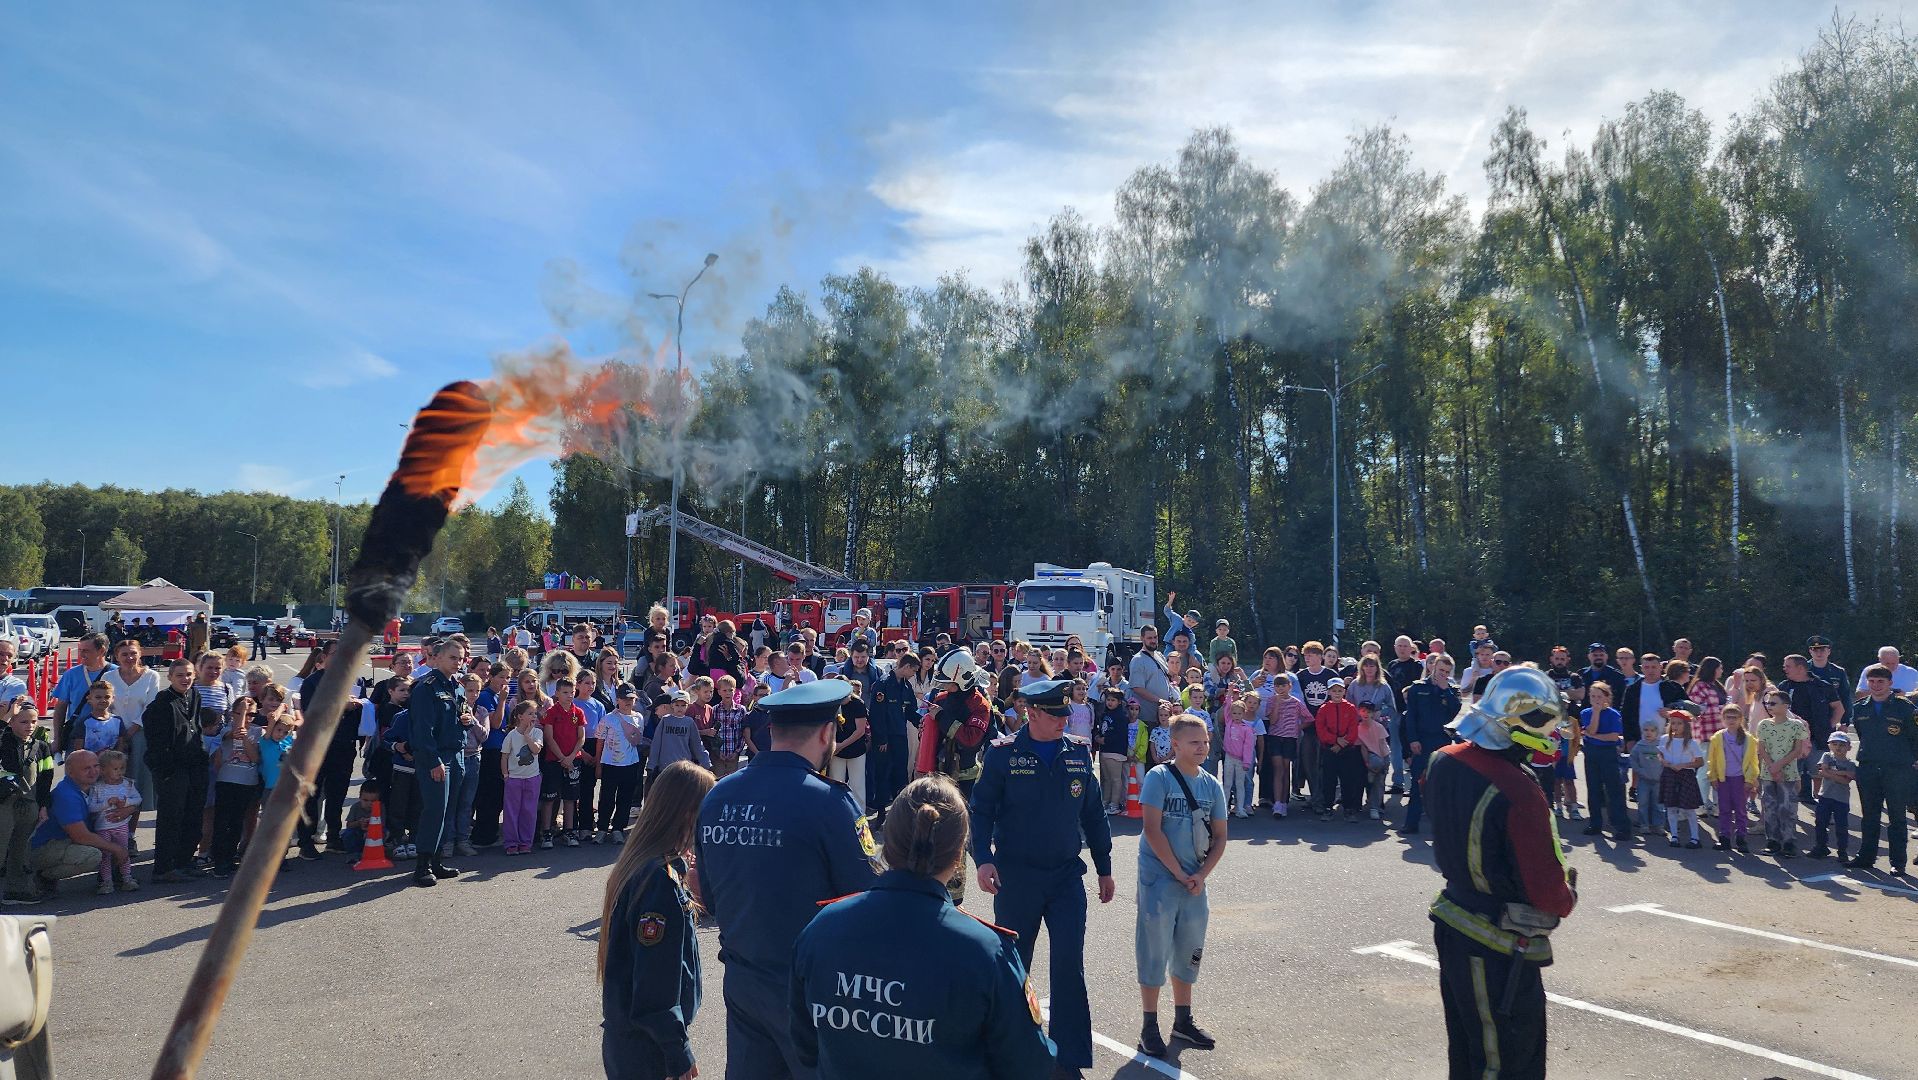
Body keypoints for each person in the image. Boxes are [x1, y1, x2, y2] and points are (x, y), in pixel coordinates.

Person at [788, 776, 1053, 1079]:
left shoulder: (823, 928)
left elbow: (805, 1045)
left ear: (886, 845)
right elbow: (1029, 1063)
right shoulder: (985, 951)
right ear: (958, 857)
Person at [695, 679, 880, 1079]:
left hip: (743, 976)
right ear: (829, 732)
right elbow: (867, 897)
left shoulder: (719, 796)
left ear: (771, 731)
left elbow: (707, 894)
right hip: (811, 985)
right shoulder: (831, 801)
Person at [1424, 665, 1578, 1080]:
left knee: (1468, 1050)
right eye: (1543, 725)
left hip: (1453, 918)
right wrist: (1567, 896)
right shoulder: (1519, 789)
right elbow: (1549, 893)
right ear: (1514, 725)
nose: (1550, 737)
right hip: (1498, 943)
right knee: (1505, 1061)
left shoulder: (1443, 760)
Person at [969, 678, 1114, 1080]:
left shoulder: (1078, 753)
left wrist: (1104, 867)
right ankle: (1011, 1053)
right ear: (1032, 714)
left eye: (1066, 713)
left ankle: (1067, 1061)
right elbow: (980, 812)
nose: (1063, 721)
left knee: (1069, 967)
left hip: (1066, 876)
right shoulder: (1003, 754)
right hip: (1017, 878)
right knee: (1015, 968)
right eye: (1056, 715)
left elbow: (1094, 814)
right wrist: (982, 859)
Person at [600, 759, 714, 1080]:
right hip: (648, 1046)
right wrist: (677, 1050)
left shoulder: (648, 864)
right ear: (688, 813)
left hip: (633, 1038)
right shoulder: (660, 880)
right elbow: (655, 981)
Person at [1134, 715, 1226, 1059]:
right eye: (1194, 743)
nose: (1202, 748)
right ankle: (1148, 1025)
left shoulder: (1211, 785)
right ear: (1175, 745)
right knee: (1153, 951)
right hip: (1160, 878)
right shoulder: (1159, 778)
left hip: (1193, 883)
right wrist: (1178, 872)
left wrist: (1200, 875)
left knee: (1190, 950)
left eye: (1204, 742)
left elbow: (1220, 838)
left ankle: (1183, 1020)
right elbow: (1152, 830)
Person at [407, 634, 469, 888]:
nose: (457, 663)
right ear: (438, 657)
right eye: (452, 658)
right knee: (434, 810)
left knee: (447, 811)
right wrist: (433, 761)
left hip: (456, 754)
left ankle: (436, 861)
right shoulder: (427, 687)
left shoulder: (458, 686)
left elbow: (460, 717)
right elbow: (422, 730)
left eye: (461, 659)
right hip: (437, 757)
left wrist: (466, 721)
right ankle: (421, 866)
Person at [144, 659, 214, 883]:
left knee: (193, 817)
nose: (185, 679)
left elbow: (197, 728)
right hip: (172, 769)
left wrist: (201, 756)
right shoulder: (161, 705)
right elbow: (156, 742)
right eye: (180, 675)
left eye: (189, 674)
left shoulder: (194, 696)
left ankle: (184, 861)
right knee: (171, 818)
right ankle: (164, 868)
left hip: (195, 766)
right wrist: (165, 769)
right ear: (170, 677)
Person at [1847, 663, 1916, 875]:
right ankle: (1866, 857)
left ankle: (1898, 862)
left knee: (1897, 817)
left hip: (1897, 769)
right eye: (1872, 681)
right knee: (1870, 816)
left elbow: (1915, 737)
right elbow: (1862, 734)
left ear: (1890, 683)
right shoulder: (1860, 708)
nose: (1876, 685)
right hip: (1868, 768)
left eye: (1881, 682)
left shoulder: (1904, 707)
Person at [1400, 654, 1460, 836]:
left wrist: (1445, 691)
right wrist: (1412, 740)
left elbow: (1456, 713)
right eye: (1440, 670)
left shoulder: (1452, 690)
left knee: (1440, 784)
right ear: (1433, 667)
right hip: (1422, 740)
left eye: (1447, 672)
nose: (1443, 674)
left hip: (1442, 741)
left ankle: (1442, 827)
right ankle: (1411, 824)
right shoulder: (1418, 688)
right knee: (1418, 782)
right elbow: (1410, 717)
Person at [0, 702, 53, 903]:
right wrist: (5, 717)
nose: (30, 726)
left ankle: (17, 889)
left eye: (33, 721)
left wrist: (43, 805)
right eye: (23, 721)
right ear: (11, 722)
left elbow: (46, 778)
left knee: (21, 848)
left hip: (29, 803)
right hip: (4, 803)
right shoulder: (4, 741)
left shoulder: (41, 747)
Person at [1755, 689, 1810, 858]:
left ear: (1786, 705)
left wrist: (1779, 765)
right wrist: (1771, 767)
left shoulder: (1796, 725)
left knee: (1786, 808)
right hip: (1768, 773)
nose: (1769, 706)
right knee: (1770, 806)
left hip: (1788, 773)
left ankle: (1788, 841)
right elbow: (1761, 749)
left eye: (1773, 703)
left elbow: (1797, 750)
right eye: (1768, 703)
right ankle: (1772, 841)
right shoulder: (1764, 724)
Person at [868, 652, 918, 821]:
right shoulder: (882, 684)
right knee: (883, 774)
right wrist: (881, 739)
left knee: (900, 774)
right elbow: (877, 714)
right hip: (885, 739)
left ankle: (899, 812)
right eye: (913, 670)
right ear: (906, 667)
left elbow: (911, 711)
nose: (914, 674)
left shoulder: (906, 686)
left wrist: (924, 722)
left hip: (900, 737)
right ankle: (881, 811)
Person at [595, 685, 646, 841]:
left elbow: (638, 739)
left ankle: (618, 828)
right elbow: (600, 741)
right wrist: (598, 764)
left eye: (631, 699)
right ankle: (602, 828)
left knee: (625, 797)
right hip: (610, 764)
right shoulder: (608, 718)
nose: (627, 702)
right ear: (617, 700)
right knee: (607, 797)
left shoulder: (638, 717)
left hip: (631, 763)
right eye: (624, 699)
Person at [1707, 703, 1758, 852]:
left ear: (1741, 719)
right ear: (1722, 719)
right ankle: (1724, 837)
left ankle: (1741, 837)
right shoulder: (1718, 737)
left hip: (1740, 779)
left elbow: (1753, 762)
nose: (1731, 720)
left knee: (1741, 810)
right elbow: (1712, 759)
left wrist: (1750, 779)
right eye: (1728, 717)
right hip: (1723, 778)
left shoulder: (1749, 739)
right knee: (1724, 809)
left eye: (1735, 717)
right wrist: (1713, 777)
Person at [499, 702, 544, 856]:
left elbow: (536, 750)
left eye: (535, 713)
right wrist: (506, 775)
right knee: (512, 812)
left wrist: (527, 736)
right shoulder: (511, 735)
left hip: (532, 778)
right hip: (514, 779)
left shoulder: (537, 733)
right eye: (530, 713)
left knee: (529, 811)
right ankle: (511, 843)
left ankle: (525, 842)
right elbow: (504, 756)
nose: (534, 717)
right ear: (520, 716)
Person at [1658, 709, 1706, 848]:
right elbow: (1660, 753)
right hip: (1669, 774)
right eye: (1673, 723)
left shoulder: (1691, 743)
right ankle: (1674, 836)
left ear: (1685, 725)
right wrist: (1663, 761)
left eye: (1679, 723)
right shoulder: (1664, 739)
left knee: (1689, 808)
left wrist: (1684, 765)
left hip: (1685, 775)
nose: (1675, 726)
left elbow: (1700, 761)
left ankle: (1695, 838)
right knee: (1671, 806)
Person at [1810, 731, 1856, 862]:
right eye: (1834, 744)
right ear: (1829, 745)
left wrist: (1832, 773)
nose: (1838, 747)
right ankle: (1821, 846)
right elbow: (1822, 771)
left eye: (1842, 744)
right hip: (1825, 796)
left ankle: (1842, 851)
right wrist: (1841, 774)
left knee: (1841, 826)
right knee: (1820, 822)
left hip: (1841, 799)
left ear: (1849, 747)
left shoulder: (1851, 764)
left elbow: (1847, 779)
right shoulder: (1827, 756)